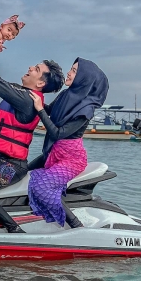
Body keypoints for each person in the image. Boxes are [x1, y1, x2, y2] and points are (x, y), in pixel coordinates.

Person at [0, 53, 64, 233]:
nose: (30, 68)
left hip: (11, 166)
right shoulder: (23, 93)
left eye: (36, 69)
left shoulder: (26, 100)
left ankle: (13, 228)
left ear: (41, 83)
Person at [27, 58, 109, 228]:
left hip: (71, 160)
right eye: (71, 69)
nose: (69, 73)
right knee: (23, 171)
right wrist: (33, 97)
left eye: (74, 71)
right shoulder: (66, 95)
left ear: (83, 78)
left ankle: (76, 225)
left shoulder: (86, 110)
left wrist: (39, 109)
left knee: (43, 187)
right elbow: (51, 111)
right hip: (53, 153)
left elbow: (57, 133)